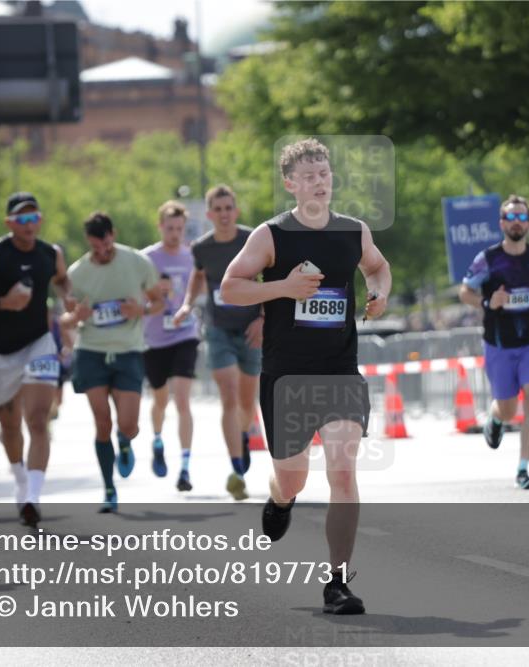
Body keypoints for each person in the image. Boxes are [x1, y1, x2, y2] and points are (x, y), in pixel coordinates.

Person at [222, 138, 391, 615]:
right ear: (290, 184)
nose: (320, 182)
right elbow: (231, 288)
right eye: (310, 176)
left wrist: (379, 293)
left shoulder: (353, 230)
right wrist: (284, 287)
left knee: (342, 469)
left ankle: (337, 583)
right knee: (292, 478)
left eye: (325, 174)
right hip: (287, 377)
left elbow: (378, 267)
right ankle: (280, 499)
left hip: (339, 370)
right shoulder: (271, 235)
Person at [0, 193, 70, 526]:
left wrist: (69, 297)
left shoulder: (50, 254)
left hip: (38, 344)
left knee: (38, 420)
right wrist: (2, 303)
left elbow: (62, 279)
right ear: (9, 223)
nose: (29, 225)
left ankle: (33, 496)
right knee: (9, 426)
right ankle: (21, 481)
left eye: (34, 218)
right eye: (22, 219)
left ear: (40, 220)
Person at [61, 212, 161, 513]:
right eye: (95, 247)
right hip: (91, 351)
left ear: (113, 235)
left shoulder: (137, 262)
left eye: (105, 244)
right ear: (88, 243)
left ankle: (125, 441)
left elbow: (159, 302)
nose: (102, 251)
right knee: (102, 421)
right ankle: (108, 489)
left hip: (128, 351)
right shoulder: (78, 272)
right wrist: (76, 316)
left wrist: (141, 310)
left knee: (129, 425)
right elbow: (65, 318)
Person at [459, 194, 529, 490]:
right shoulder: (487, 259)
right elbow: (465, 292)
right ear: (501, 223)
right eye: (511, 217)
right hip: (499, 344)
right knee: (509, 409)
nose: (517, 222)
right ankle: (496, 417)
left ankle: (523, 470)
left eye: (522, 217)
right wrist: (489, 301)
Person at [173, 185, 261, 501]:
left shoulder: (253, 240)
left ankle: (243, 436)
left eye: (228, 208)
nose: (224, 214)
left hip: (251, 329)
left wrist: (263, 318)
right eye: (218, 209)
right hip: (218, 328)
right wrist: (187, 304)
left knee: (247, 404)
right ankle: (237, 471)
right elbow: (198, 276)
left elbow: (268, 279)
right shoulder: (202, 247)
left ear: (236, 211)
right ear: (209, 215)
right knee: (229, 395)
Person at [143, 201, 199, 492]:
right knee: (160, 399)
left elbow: (200, 288)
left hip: (185, 334)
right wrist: (153, 294)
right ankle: (157, 440)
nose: (175, 234)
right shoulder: (146, 259)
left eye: (179, 228)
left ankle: (185, 468)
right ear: (160, 227)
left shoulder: (192, 257)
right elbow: (136, 296)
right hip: (154, 339)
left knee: (182, 400)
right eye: (170, 228)